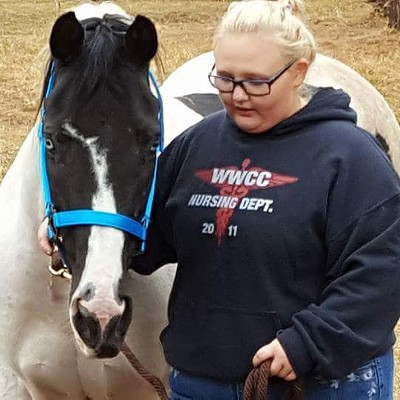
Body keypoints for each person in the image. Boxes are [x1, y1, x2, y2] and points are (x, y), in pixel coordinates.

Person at [39, 0, 400, 398]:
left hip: (317, 384)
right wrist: (71, 233)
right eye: (225, 79)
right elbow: (146, 232)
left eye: (255, 82)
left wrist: (306, 346)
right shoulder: (198, 146)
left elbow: (382, 274)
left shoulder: (351, 158)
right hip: (201, 382)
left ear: (299, 71)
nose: (238, 95)